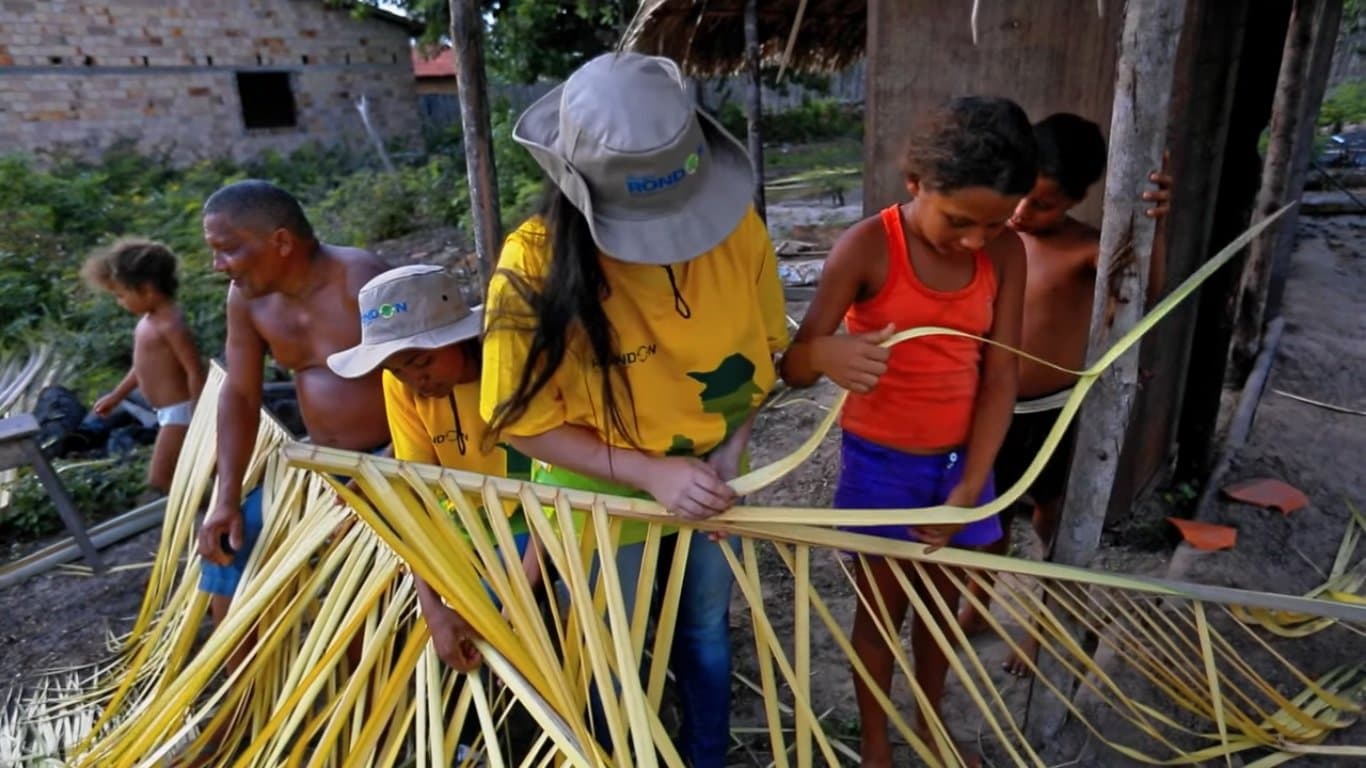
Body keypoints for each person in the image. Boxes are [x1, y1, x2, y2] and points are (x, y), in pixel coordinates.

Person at [480, 52, 789, 767]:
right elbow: (522, 421)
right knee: (612, 649)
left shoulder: (739, 230)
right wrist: (650, 474)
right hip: (597, 500)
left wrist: (723, 459)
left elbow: (764, 360)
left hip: (710, 487)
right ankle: (622, 753)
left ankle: (706, 754)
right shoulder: (532, 266)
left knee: (707, 632)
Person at [779, 96, 1036, 767]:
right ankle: (874, 745)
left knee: (939, 613)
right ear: (915, 183)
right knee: (880, 613)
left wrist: (970, 487)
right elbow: (796, 365)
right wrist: (825, 354)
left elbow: (1001, 376)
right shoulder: (867, 248)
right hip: (883, 467)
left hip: (961, 469)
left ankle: (930, 724)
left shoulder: (1005, 254)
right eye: (959, 221)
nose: (977, 240)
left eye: (995, 223)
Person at [955, 113, 1173, 676]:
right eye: (1022, 196)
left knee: (1054, 523)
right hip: (990, 407)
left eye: (1044, 205)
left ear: (1078, 200)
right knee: (992, 519)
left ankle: (1041, 627)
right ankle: (977, 605)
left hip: (1053, 412)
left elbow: (1145, 292)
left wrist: (1156, 226)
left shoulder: (1086, 250)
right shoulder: (994, 235)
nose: (1025, 212)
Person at [196, 179, 392, 627]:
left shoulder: (361, 279)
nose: (217, 265)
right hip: (325, 468)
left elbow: (425, 381)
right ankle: (241, 689)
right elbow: (241, 396)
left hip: (401, 462)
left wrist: (387, 467)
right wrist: (225, 497)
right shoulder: (247, 302)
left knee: (357, 577)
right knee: (230, 541)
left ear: (280, 241)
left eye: (227, 250)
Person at [326, 263, 536, 673]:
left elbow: (556, 493)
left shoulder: (511, 363)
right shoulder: (402, 384)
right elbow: (418, 495)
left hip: (545, 524)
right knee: (414, 632)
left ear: (458, 338)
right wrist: (433, 606)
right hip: (467, 528)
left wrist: (515, 602)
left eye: (420, 362)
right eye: (395, 369)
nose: (413, 380)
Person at [82, 238, 206, 495]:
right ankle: (207, 509)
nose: (120, 302)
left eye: (121, 295)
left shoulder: (171, 324)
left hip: (181, 412)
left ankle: (203, 514)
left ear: (147, 289)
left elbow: (194, 370)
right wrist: (117, 395)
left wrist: (199, 413)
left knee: (160, 479)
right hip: (167, 413)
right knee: (189, 470)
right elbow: (141, 367)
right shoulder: (148, 321)